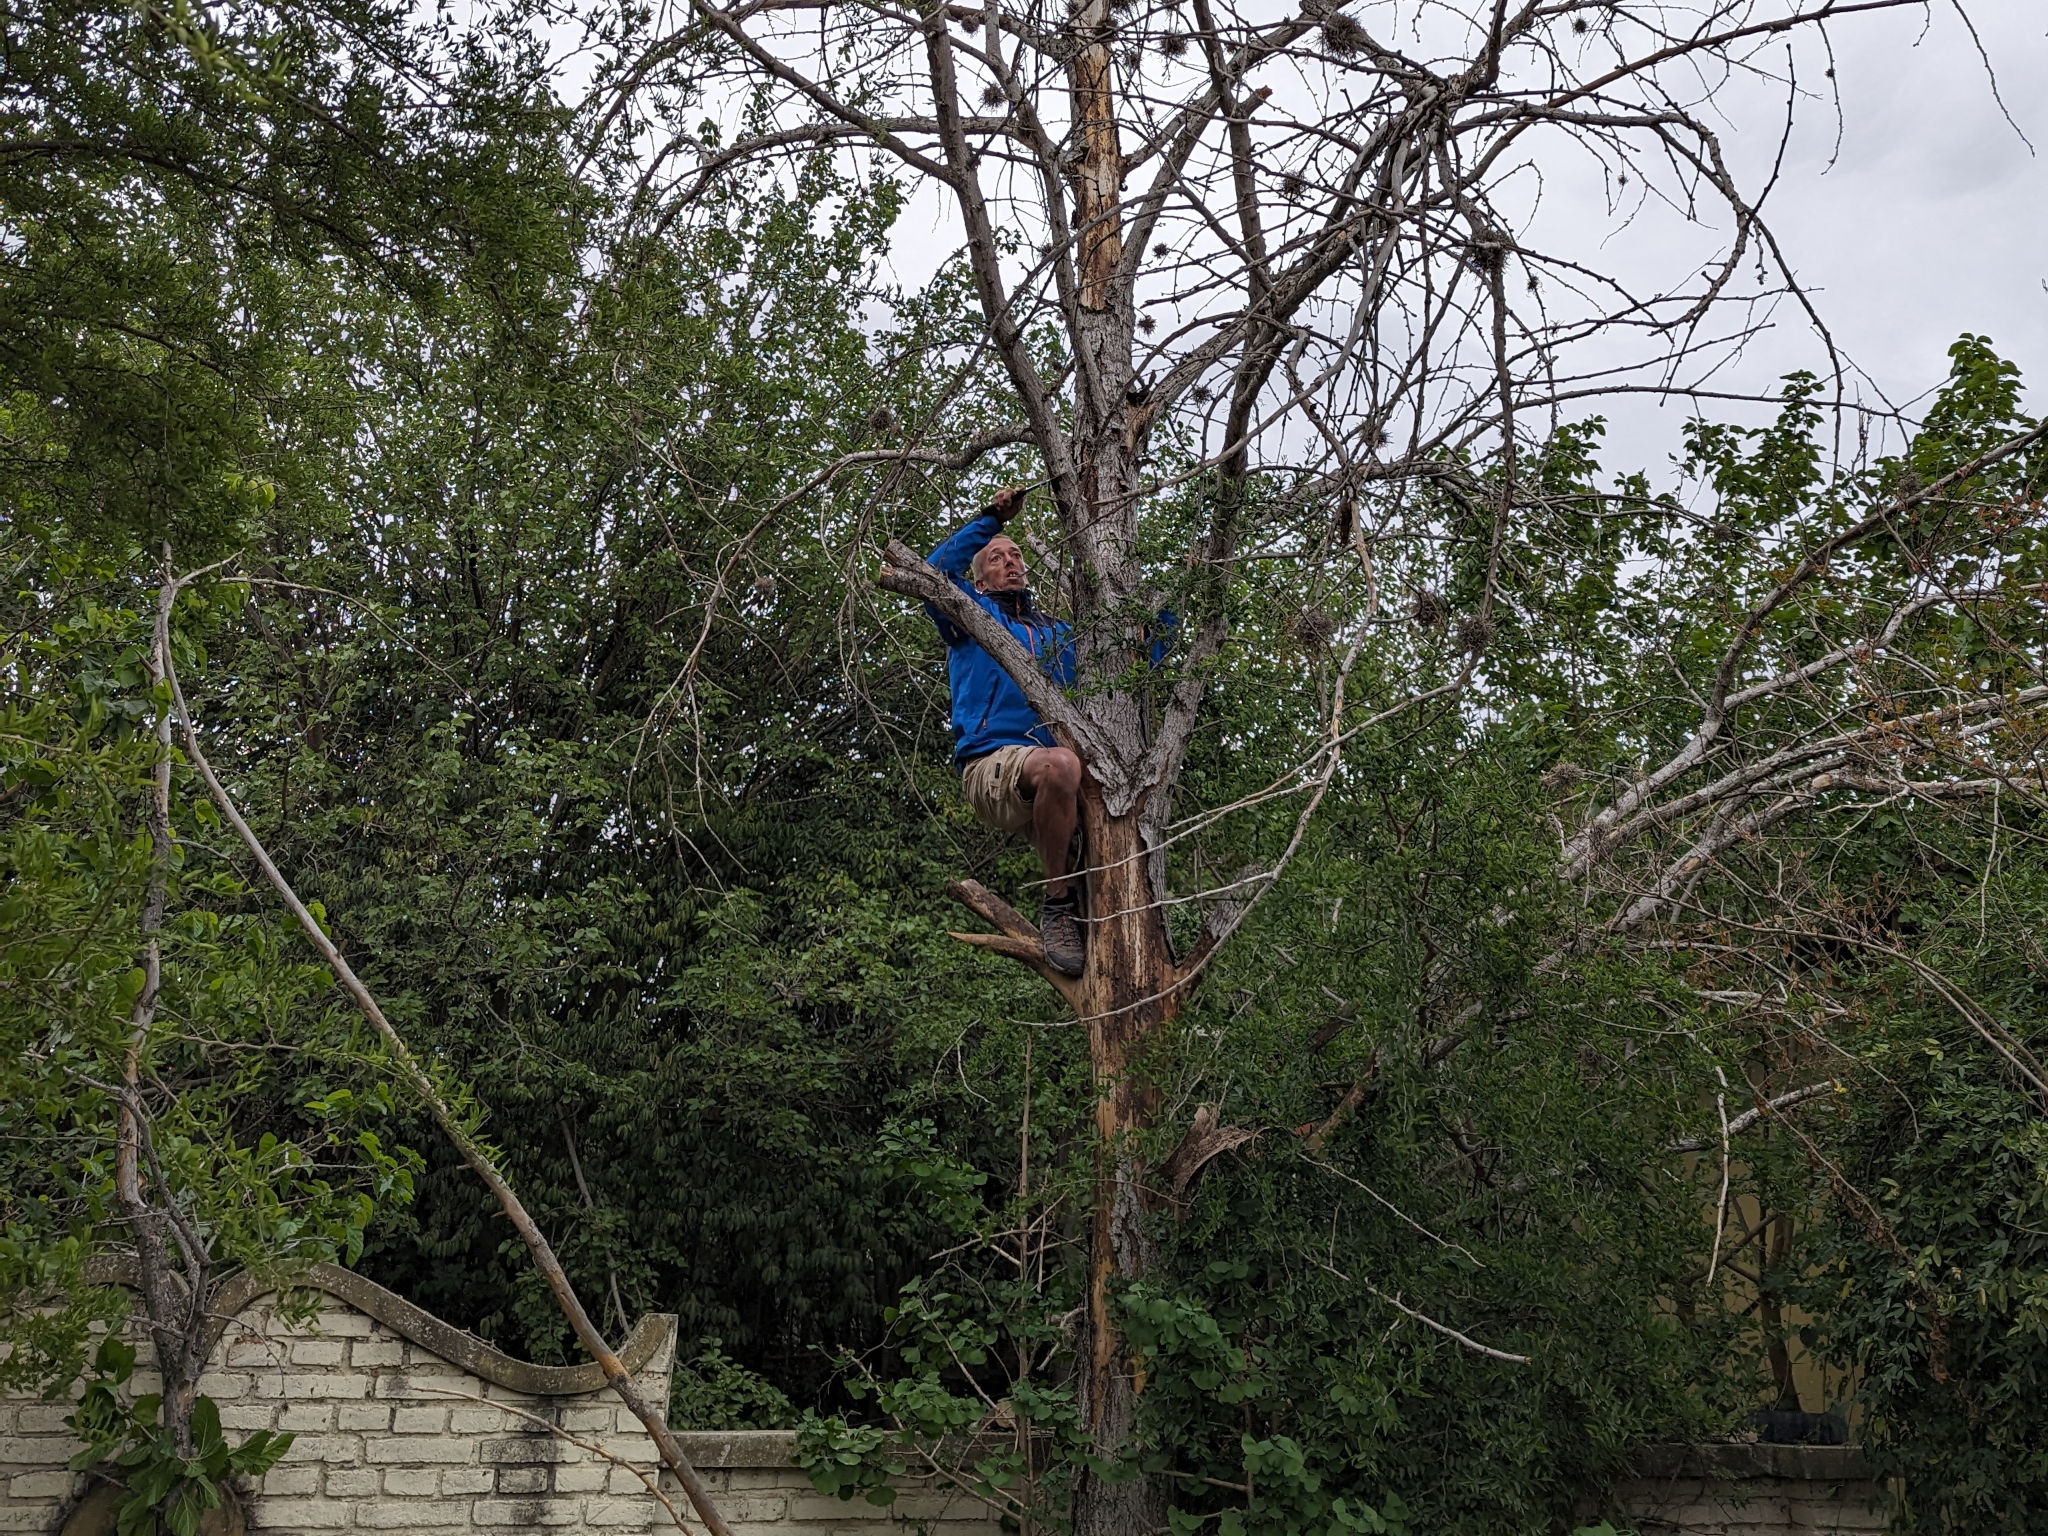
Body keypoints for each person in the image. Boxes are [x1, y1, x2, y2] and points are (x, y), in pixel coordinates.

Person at [922, 484, 1088, 977]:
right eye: (997, 558)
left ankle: (1087, 918)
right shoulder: (971, 617)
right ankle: (1057, 905)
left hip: (1053, 779)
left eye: (1016, 555)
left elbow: (1132, 670)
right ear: (981, 577)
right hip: (991, 766)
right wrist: (992, 521)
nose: (1011, 561)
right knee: (1062, 764)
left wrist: (1165, 607)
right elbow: (934, 571)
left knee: (1088, 792)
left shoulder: (1058, 635)